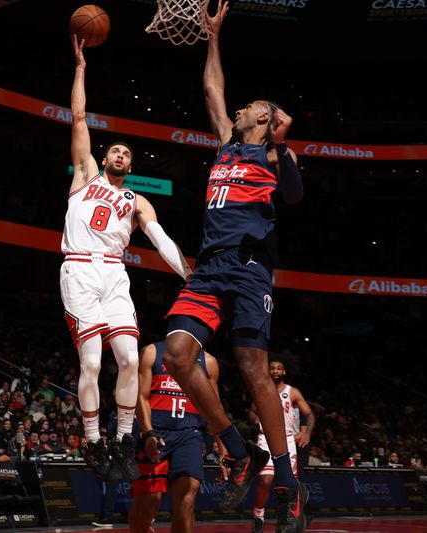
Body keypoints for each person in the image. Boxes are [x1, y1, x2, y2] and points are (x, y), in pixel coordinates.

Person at [160, 3, 307, 532]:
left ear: (264, 120)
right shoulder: (225, 144)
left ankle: (288, 483)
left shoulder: (273, 157)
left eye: (250, 108)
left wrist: (284, 145)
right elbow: (211, 90)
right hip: (210, 266)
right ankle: (236, 445)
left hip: (249, 269)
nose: (238, 109)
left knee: (250, 366)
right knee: (176, 354)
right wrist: (213, 37)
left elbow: (293, 196)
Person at [63, 35, 193, 482]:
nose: (122, 154)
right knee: (93, 363)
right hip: (79, 266)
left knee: (131, 361)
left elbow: (160, 239)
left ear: (131, 166)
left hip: (116, 275)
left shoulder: (138, 201)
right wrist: (81, 68)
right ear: (104, 156)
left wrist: (188, 275)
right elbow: (78, 116)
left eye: (128, 153)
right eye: (116, 149)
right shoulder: (85, 177)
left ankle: (121, 438)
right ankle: (93, 440)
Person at [128, 342, 221, 533]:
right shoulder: (152, 352)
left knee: (186, 500)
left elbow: (215, 407)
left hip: (189, 434)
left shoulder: (208, 361)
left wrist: (223, 444)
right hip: (155, 434)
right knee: (146, 506)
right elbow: (140, 396)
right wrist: (147, 431)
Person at [250, 358, 314, 533]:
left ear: (284, 372)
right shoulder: (261, 390)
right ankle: (258, 517)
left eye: (279, 368)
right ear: (268, 371)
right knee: (266, 480)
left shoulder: (292, 392)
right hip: (266, 438)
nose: (275, 371)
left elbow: (309, 414)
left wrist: (306, 432)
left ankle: (289, 518)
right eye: (272, 368)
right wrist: (254, 419)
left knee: (288, 485)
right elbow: (252, 410)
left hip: (287, 439)